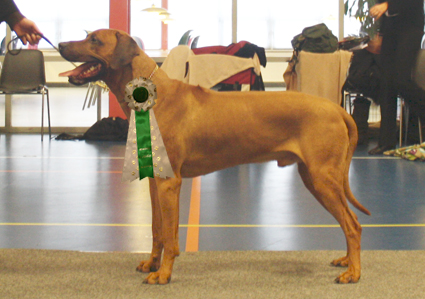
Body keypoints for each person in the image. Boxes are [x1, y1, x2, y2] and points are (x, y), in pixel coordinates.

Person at [368, 0, 425, 154]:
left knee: (401, 80)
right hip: (391, 29)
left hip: (410, 27)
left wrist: (387, 5)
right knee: (386, 83)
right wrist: (380, 34)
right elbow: (382, 9)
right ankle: (386, 142)